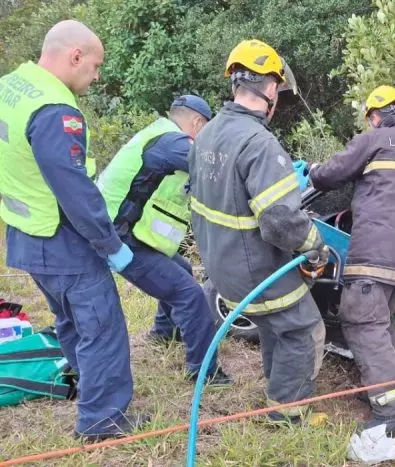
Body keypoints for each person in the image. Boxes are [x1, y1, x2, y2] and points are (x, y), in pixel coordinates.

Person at [0, 20, 144, 441]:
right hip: (62, 239)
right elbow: (75, 191)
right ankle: (103, 420)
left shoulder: (11, 86)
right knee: (102, 327)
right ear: (75, 56)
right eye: (95, 66)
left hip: (25, 233)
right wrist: (109, 243)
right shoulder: (54, 111)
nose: (96, 77)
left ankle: (86, 382)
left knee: (69, 320)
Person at [188, 39, 329, 423]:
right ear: (268, 88)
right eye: (277, 89)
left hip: (222, 267)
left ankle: (275, 387)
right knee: (302, 329)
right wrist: (316, 246)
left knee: (275, 326)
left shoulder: (210, 133)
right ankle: (287, 416)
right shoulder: (259, 143)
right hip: (255, 269)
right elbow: (281, 221)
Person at [307, 85, 395, 433]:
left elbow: (328, 175)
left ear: (375, 116)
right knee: (379, 326)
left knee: (363, 324)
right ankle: (384, 392)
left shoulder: (375, 140)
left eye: (369, 119)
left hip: (374, 255)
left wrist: (313, 169)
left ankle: (394, 412)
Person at [95, 95, 231, 385]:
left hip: (119, 228)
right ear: (197, 122)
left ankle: (164, 332)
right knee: (191, 296)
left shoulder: (157, 133)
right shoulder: (174, 142)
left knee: (181, 270)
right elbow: (217, 170)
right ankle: (204, 372)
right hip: (116, 238)